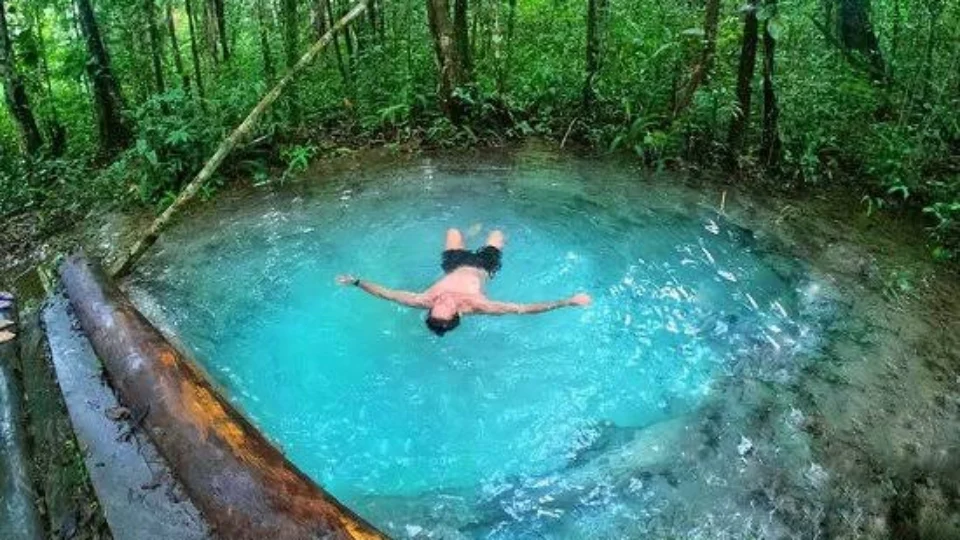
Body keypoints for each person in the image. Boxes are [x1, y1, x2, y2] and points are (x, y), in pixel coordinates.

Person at [336, 229, 592, 336]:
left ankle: (469, 232)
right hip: (484, 266)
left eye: (438, 301)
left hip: (454, 264)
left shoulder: (423, 300)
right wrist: (567, 301)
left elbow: (387, 293)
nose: (442, 298)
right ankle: (492, 236)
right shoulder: (479, 305)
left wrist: (358, 281)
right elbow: (524, 309)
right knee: (497, 234)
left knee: (453, 232)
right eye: (445, 303)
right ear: (457, 312)